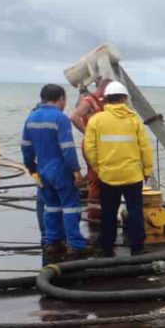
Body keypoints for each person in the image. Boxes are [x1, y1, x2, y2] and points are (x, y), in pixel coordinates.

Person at [21, 84, 90, 263]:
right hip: (60, 168)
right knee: (70, 206)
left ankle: (53, 242)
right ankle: (75, 243)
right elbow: (67, 148)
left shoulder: (31, 117)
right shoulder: (60, 118)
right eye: (64, 100)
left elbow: (26, 146)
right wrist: (75, 170)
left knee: (50, 206)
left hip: (42, 169)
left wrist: (31, 167)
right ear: (61, 98)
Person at [84, 81, 153, 256]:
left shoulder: (96, 120)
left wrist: (97, 167)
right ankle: (138, 247)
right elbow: (145, 147)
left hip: (108, 176)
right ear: (124, 98)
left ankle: (106, 247)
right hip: (132, 176)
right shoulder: (133, 120)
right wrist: (147, 170)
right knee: (135, 211)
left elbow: (89, 148)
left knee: (108, 212)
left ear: (106, 99)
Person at [68, 77, 112, 225]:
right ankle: (94, 216)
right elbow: (74, 116)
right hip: (92, 145)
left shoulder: (104, 101)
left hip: (102, 145)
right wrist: (87, 132)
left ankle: (103, 212)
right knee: (94, 179)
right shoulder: (89, 100)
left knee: (102, 178)